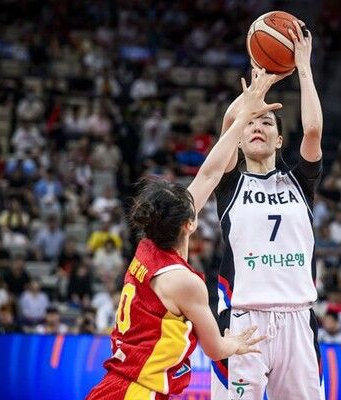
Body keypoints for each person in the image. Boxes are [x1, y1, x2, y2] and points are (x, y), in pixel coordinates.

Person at [87, 68, 281, 400]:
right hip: (139, 393)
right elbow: (215, 348)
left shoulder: (148, 245)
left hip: (114, 386)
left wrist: (245, 108)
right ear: (189, 225)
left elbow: (209, 173)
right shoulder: (184, 282)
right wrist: (236, 343)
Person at [210, 20, 326, 400]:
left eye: (267, 122)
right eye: (251, 124)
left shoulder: (299, 183)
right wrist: (257, 90)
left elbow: (313, 131)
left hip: (297, 317)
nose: (257, 126)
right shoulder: (230, 185)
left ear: (278, 139)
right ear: (239, 140)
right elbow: (229, 122)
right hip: (244, 320)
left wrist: (302, 67)